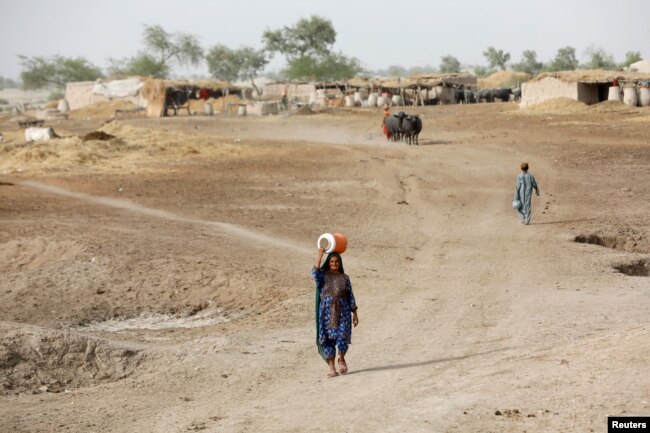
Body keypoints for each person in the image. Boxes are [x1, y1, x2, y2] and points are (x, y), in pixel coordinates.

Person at [312, 247, 359, 378]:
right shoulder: (323, 276)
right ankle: (332, 367)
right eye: (331, 262)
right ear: (328, 262)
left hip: (343, 312)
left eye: (336, 262)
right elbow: (315, 271)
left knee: (342, 337)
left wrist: (355, 313)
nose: (334, 264)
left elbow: (350, 295)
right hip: (326, 313)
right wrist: (320, 254)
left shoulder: (345, 278)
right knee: (328, 339)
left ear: (340, 263)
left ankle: (342, 358)